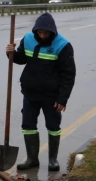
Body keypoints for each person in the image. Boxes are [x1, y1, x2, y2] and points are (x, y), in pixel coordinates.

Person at [5, 12, 76, 171]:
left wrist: (63, 99)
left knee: (53, 126)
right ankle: (32, 159)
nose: (42, 35)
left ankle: (52, 159)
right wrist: (11, 53)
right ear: (35, 30)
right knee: (28, 125)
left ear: (52, 31)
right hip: (30, 93)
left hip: (52, 96)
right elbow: (21, 59)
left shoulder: (63, 45)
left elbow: (68, 75)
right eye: (40, 32)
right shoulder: (28, 38)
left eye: (46, 33)